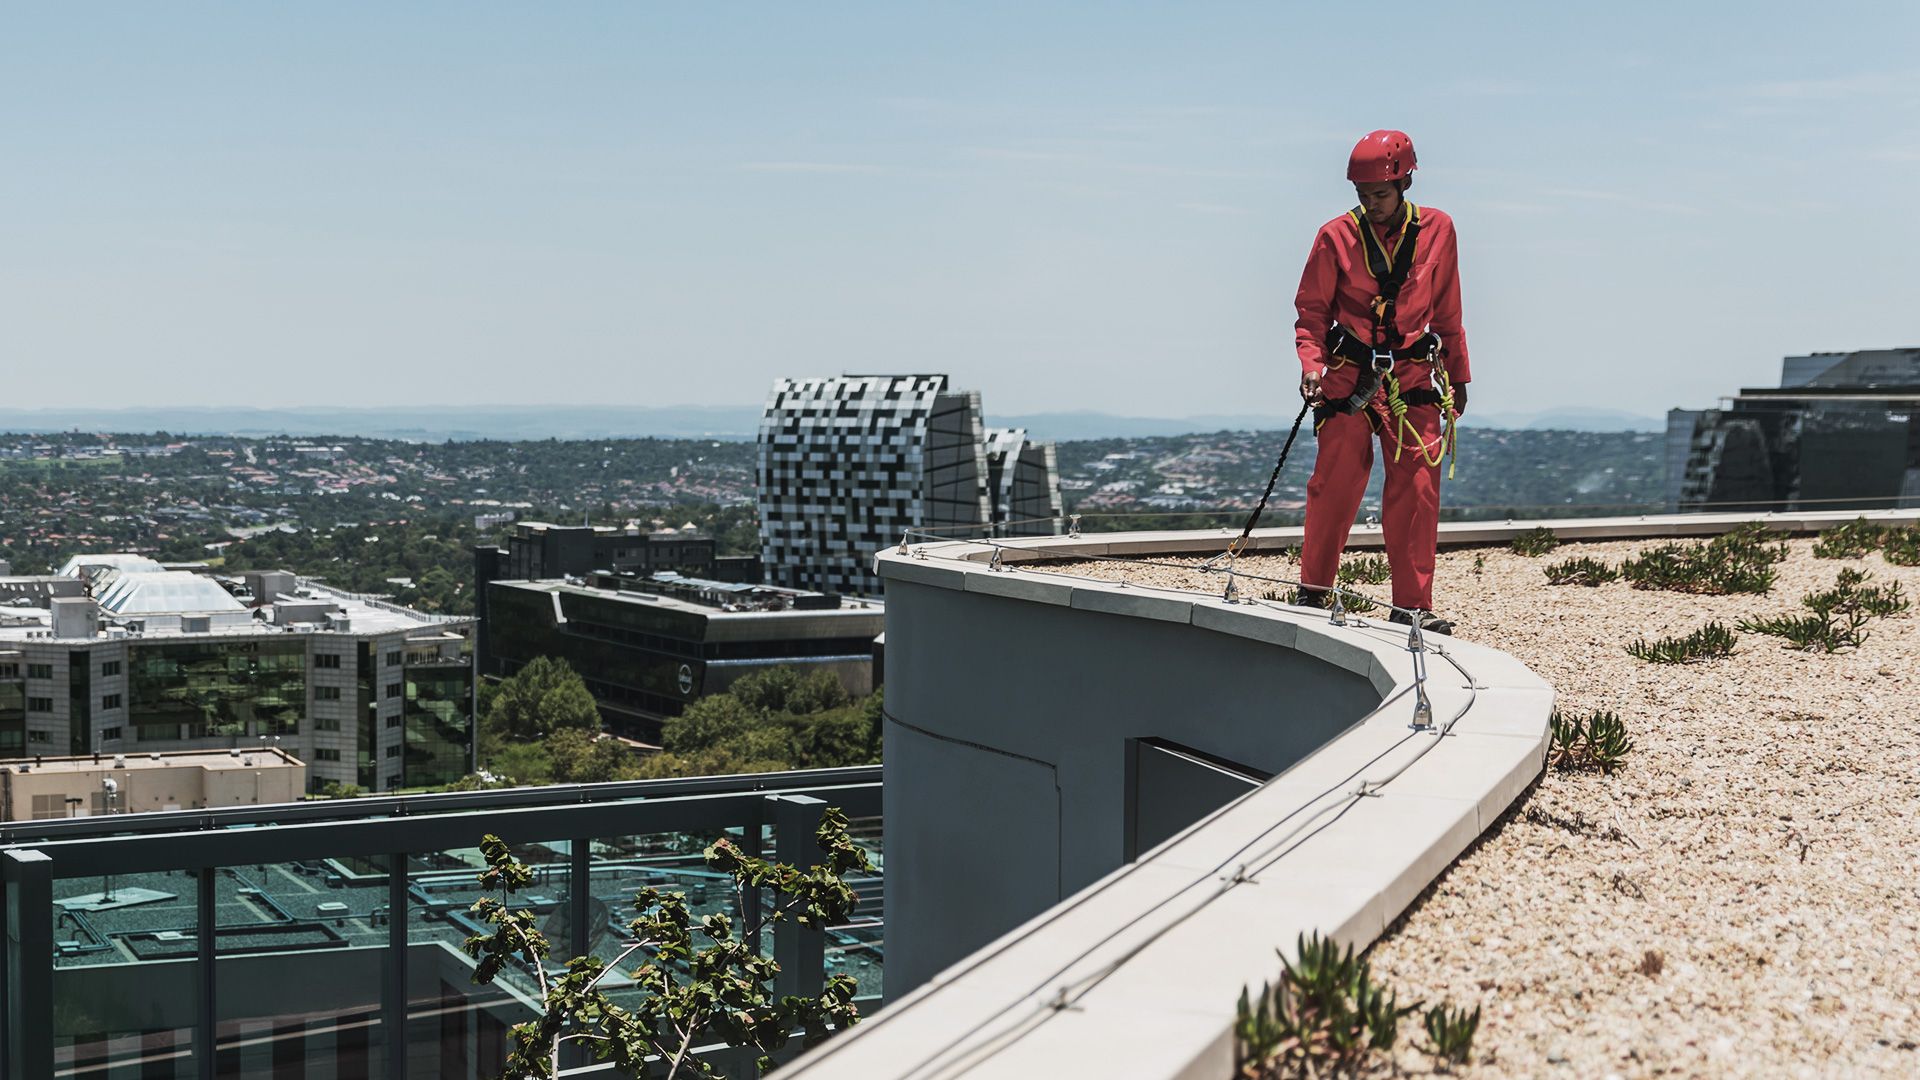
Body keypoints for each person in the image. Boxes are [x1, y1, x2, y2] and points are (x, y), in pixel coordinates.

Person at [1292, 129, 1469, 634]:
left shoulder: (1439, 230)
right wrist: (1311, 365)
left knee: (1417, 491)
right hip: (1348, 377)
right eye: (1362, 195)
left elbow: (1449, 311)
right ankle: (1314, 591)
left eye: (1380, 195)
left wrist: (1458, 376)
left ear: (1406, 182)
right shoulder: (1335, 237)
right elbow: (1312, 313)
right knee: (1334, 485)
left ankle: (1412, 605)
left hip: (1413, 376)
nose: (1370, 204)